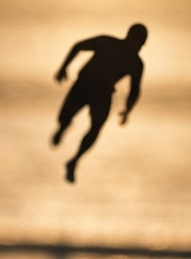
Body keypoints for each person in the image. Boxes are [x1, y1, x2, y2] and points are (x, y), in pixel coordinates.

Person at [52, 23, 147, 183]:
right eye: (138, 42)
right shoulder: (107, 42)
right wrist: (63, 67)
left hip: (102, 93)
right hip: (84, 85)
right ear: (130, 38)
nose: (139, 47)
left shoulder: (135, 63)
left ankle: (74, 160)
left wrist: (127, 110)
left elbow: (135, 91)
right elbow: (78, 46)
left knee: (95, 128)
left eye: (141, 43)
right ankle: (63, 127)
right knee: (64, 117)